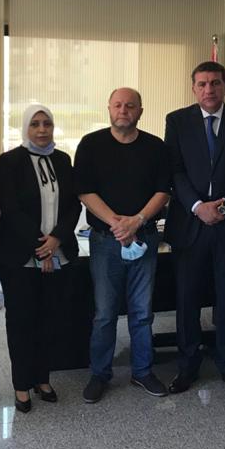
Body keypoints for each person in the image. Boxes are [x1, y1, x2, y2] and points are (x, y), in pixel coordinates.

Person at [164, 61, 225, 396]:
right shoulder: (177, 121)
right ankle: (187, 367)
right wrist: (197, 206)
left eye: (215, 83)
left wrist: (222, 206)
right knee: (187, 300)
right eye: (202, 84)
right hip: (190, 226)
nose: (209, 89)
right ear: (193, 88)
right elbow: (175, 171)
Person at [74, 88, 171, 403]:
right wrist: (118, 224)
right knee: (104, 313)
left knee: (142, 312)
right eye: (118, 105)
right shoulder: (91, 144)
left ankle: (142, 371)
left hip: (144, 238)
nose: (123, 110)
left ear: (140, 111)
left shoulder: (156, 147)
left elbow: (163, 191)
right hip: (105, 242)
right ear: (109, 108)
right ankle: (100, 374)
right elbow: (84, 191)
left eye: (130, 105)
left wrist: (137, 221)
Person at [0, 104, 81, 413]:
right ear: (25, 127)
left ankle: (42, 378)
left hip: (58, 252)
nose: (42, 129)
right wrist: (40, 247)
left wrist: (56, 239)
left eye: (47, 123)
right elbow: (10, 208)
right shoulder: (10, 161)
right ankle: (22, 384)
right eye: (35, 124)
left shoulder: (63, 160)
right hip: (20, 256)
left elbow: (73, 205)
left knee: (49, 319)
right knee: (22, 321)